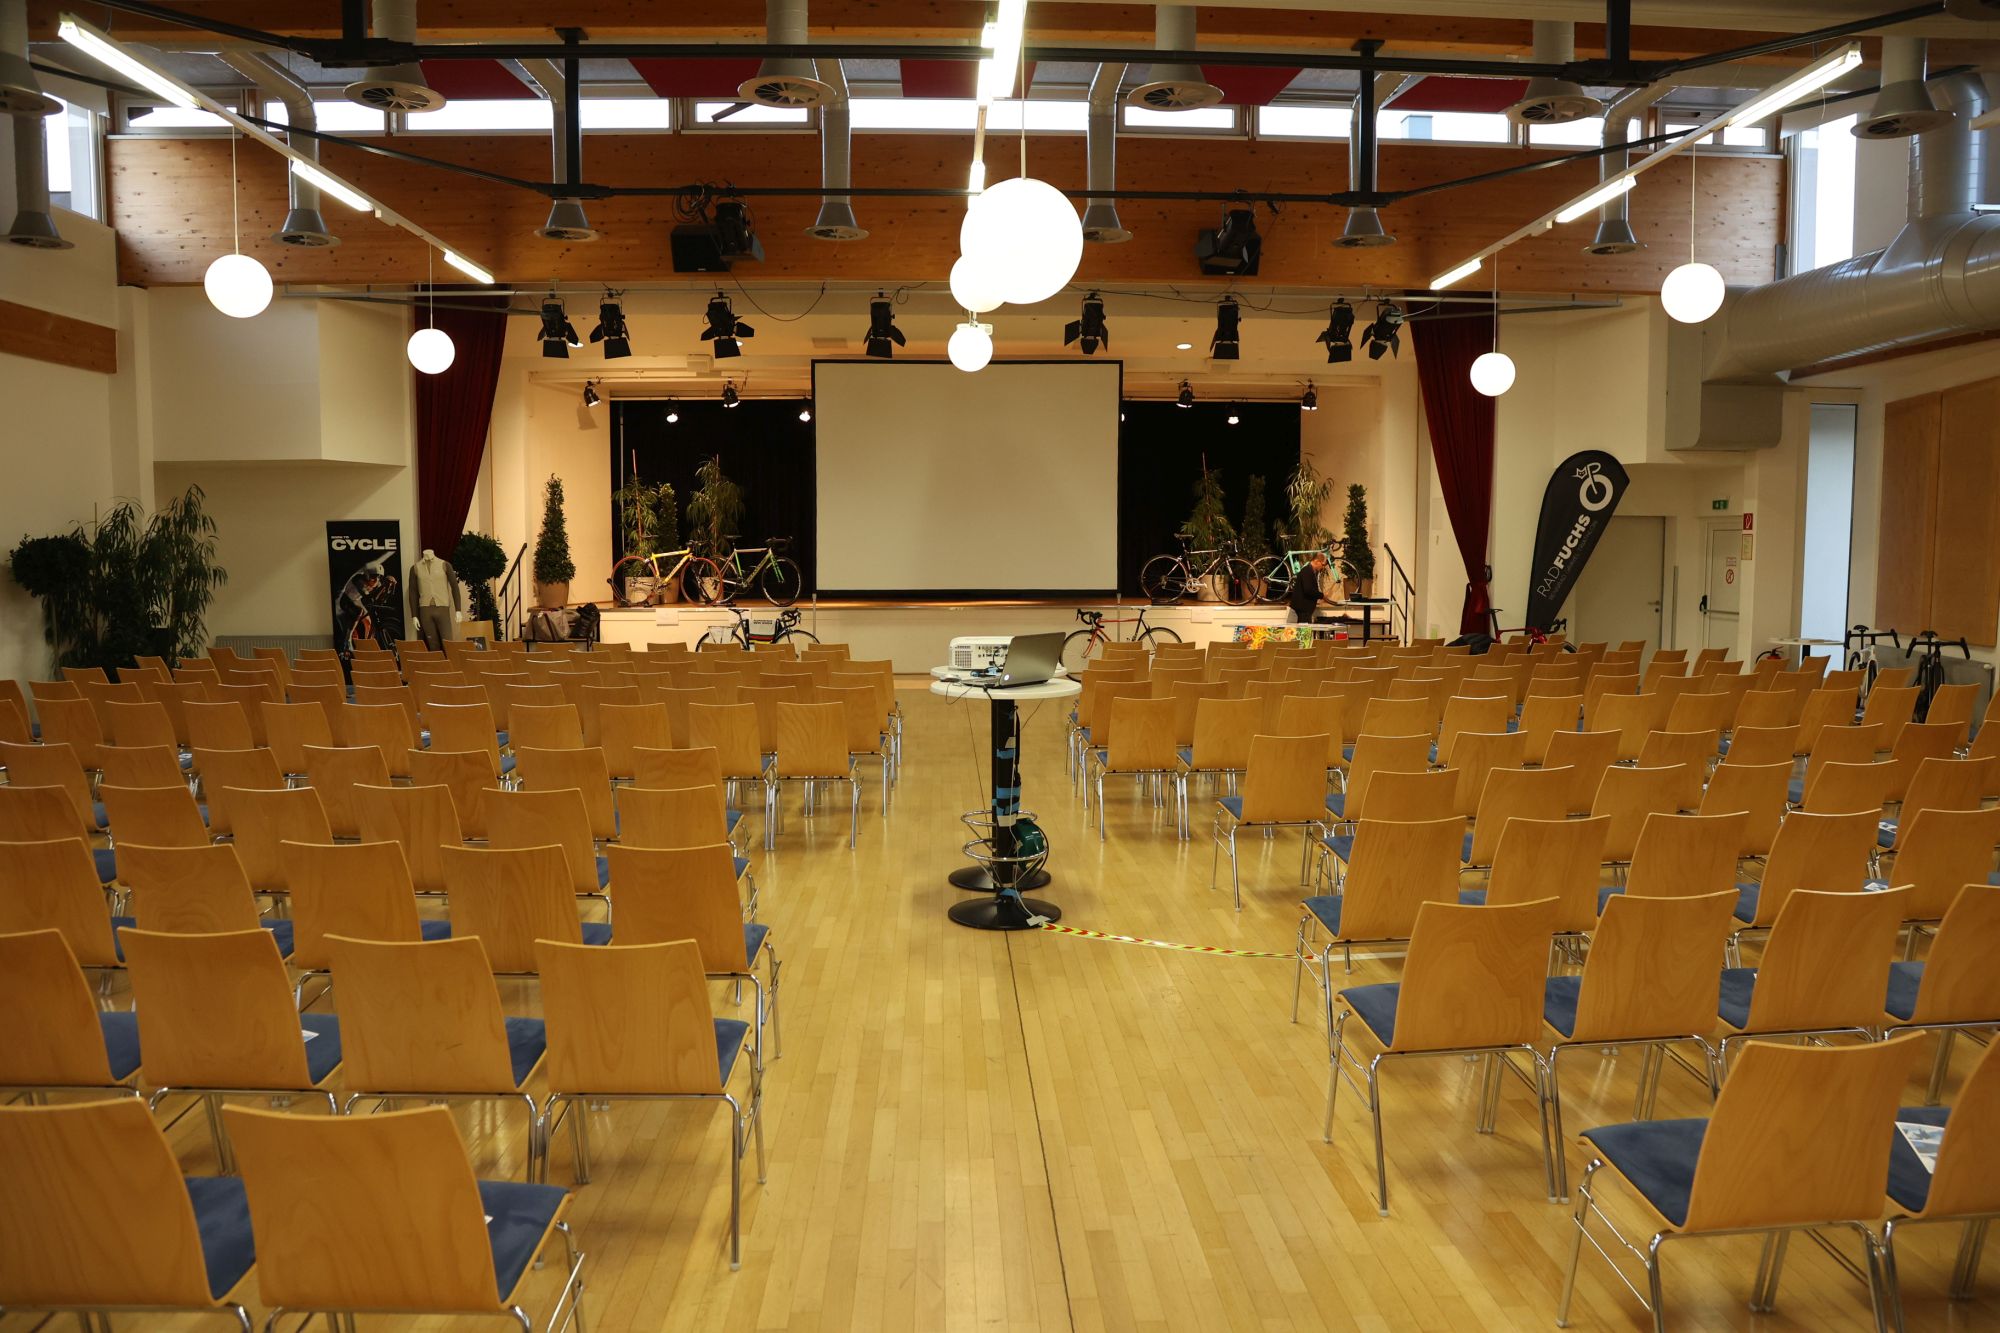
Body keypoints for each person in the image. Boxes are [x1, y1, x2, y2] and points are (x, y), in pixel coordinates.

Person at [1288, 553, 1328, 625]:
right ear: (1316, 561)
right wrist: (1321, 595)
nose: (1323, 567)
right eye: (1323, 564)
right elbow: (1308, 590)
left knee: (1305, 630)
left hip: (1305, 609)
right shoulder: (1307, 571)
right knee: (1304, 630)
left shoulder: (1310, 571)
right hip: (1303, 609)